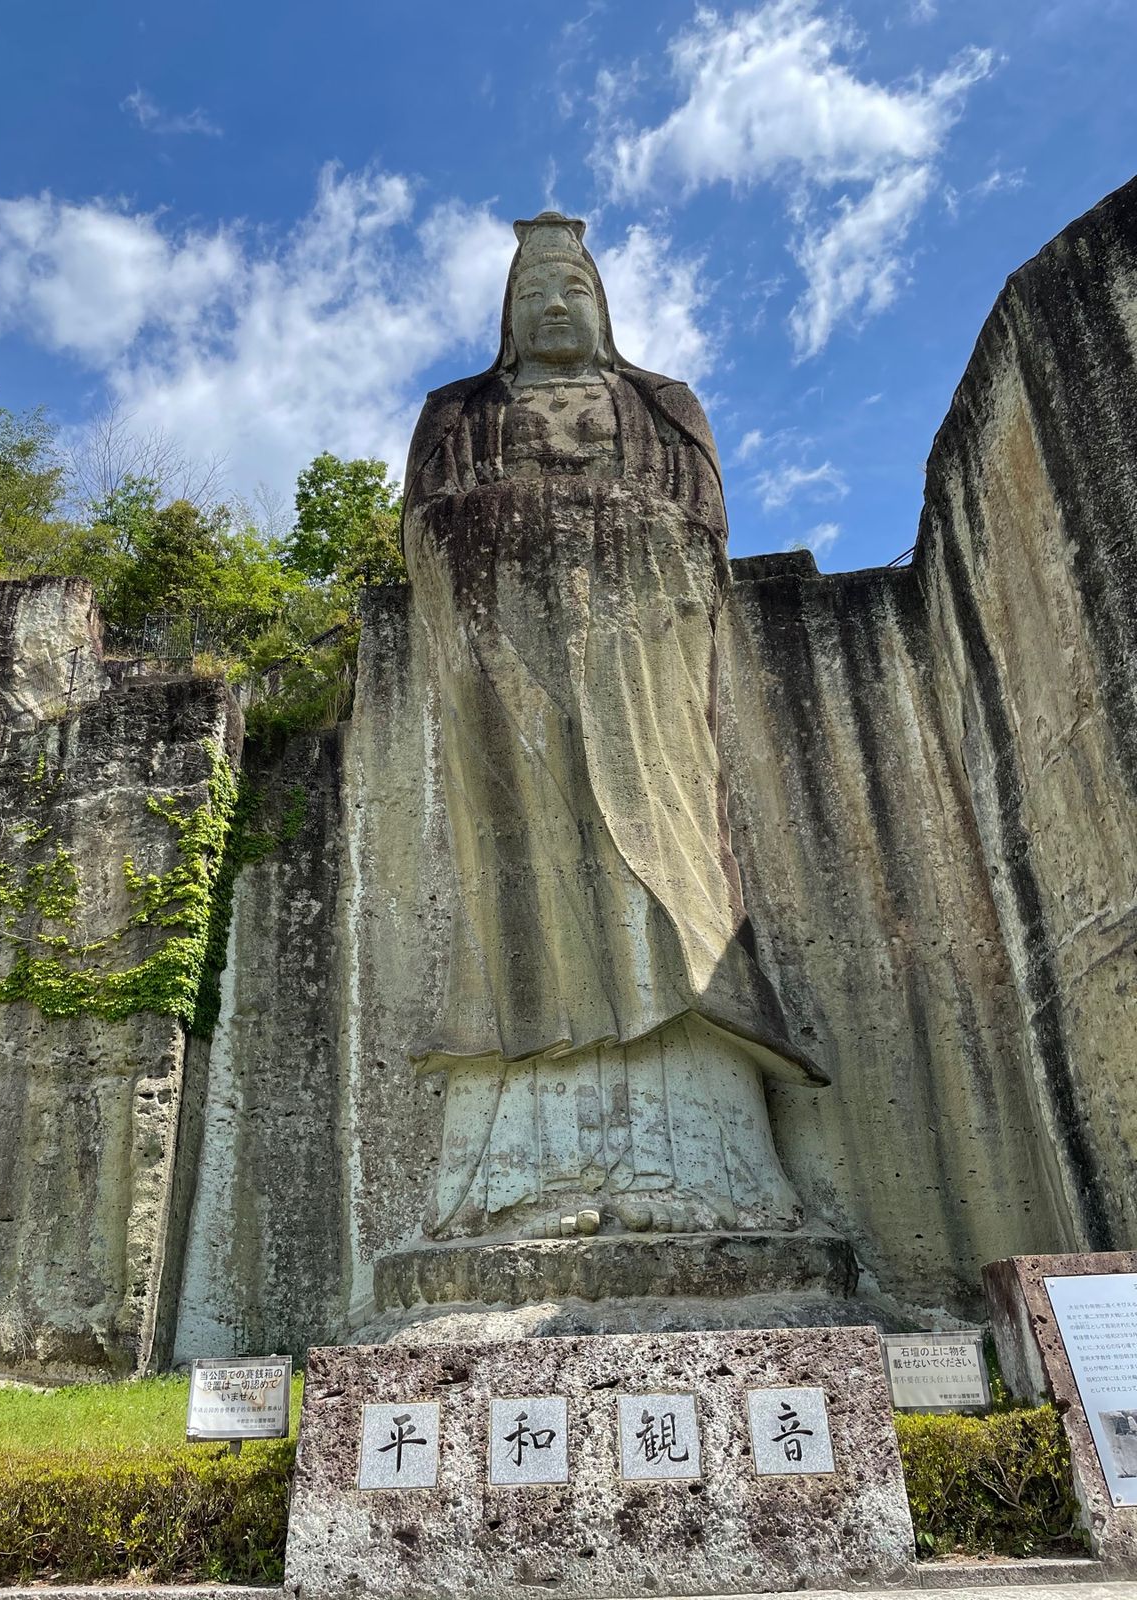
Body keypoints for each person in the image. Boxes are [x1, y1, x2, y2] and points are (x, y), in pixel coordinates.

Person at [403, 212, 828, 1242]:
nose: (555, 307)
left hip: (642, 666)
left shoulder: (662, 404)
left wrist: (601, 533)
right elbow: (426, 534)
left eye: (574, 291)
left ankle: (708, 1161)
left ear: (603, 306)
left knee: (672, 873)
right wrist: (519, 530)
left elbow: (702, 535)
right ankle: (517, 1169)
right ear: (506, 315)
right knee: (521, 878)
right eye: (533, 293)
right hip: (507, 670)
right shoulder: (457, 412)